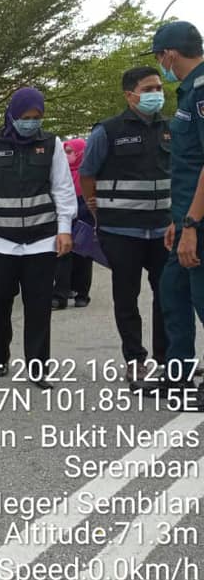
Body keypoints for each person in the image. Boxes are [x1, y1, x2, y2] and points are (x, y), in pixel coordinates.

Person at [0, 87, 76, 389]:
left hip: (42, 239)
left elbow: (63, 188)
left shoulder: (51, 144)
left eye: (37, 117)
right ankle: (0, 355)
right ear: (12, 115)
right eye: (25, 117)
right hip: (1, 240)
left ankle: (38, 367)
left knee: (39, 305)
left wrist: (64, 229)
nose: (30, 123)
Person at [79, 66, 170, 380]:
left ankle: (167, 357)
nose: (156, 94)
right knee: (126, 298)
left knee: (167, 296)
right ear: (130, 95)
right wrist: (97, 210)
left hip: (163, 229)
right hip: (120, 230)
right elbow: (87, 174)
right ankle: (135, 359)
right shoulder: (107, 131)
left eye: (158, 88)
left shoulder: (171, 128)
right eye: (148, 89)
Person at [132, 21, 204, 405]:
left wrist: (191, 223)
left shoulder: (202, 91)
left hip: (200, 221)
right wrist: (179, 220)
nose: (161, 64)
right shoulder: (189, 91)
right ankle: (178, 376)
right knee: (172, 293)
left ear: (170, 54)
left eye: (160, 56)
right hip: (188, 217)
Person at [52, 139, 93, 310]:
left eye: (70, 151)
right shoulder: (61, 172)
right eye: (65, 151)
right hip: (65, 219)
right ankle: (60, 295)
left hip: (85, 217)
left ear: (80, 152)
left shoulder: (88, 172)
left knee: (83, 257)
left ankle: (82, 294)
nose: (67, 155)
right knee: (62, 255)